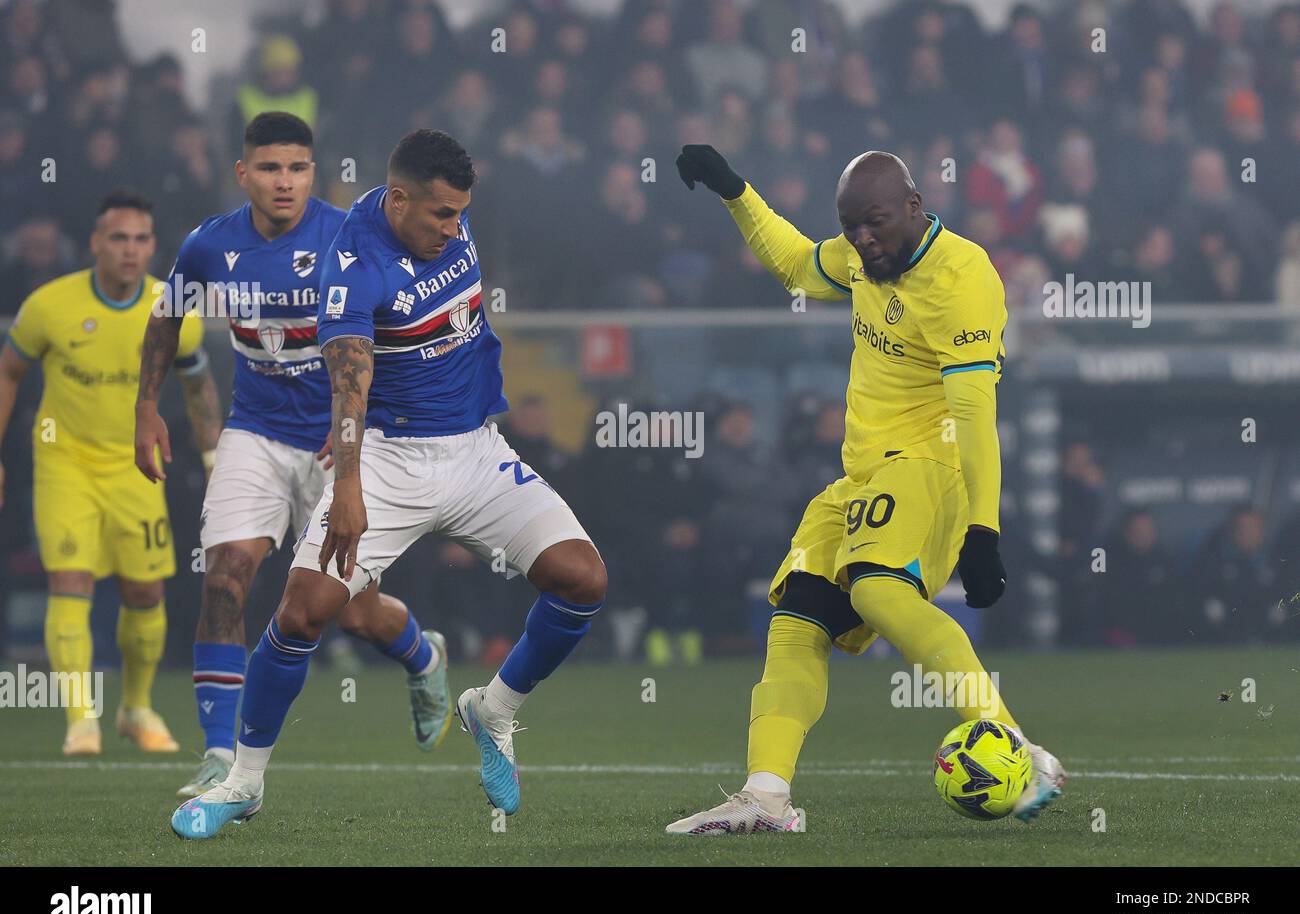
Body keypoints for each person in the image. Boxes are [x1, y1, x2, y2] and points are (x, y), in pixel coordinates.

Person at [170, 129, 606, 839]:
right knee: (303, 611)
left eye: (461, 214)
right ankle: (243, 783)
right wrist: (347, 486)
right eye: (442, 215)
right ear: (399, 200)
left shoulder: (439, 223)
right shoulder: (351, 270)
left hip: (474, 452)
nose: (455, 228)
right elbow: (348, 385)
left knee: (583, 579)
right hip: (390, 460)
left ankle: (492, 712)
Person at [666, 145, 1065, 834]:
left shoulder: (962, 278)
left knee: (877, 589)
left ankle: (1016, 747)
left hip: (932, 463)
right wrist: (734, 190)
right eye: (851, 226)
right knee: (797, 618)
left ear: (915, 207)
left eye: (875, 222)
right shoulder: (862, 256)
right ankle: (766, 796)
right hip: (862, 475)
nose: (862, 239)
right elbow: (795, 261)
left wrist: (984, 530)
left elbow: (974, 419)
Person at [135, 113, 450, 800]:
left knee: (352, 612)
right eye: (271, 168)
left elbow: (399, 325)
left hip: (340, 445)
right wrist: (145, 408)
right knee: (225, 576)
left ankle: (423, 655)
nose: (285, 182)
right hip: (254, 430)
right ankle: (221, 758)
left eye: (298, 168)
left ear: (314, 172)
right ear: (242, 173)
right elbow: (167, 317)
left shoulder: (350, 235)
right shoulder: (209, 246)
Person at [0, 191, 217, 755]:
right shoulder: (49, 305)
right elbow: (9, 371)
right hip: (64, 463)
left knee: (144, 592)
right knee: (68, 580)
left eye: (140, 238)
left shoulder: (172, 313)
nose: (129, 249)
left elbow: (198, 383)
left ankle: (136, 709)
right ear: (95, 243)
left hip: (137, 467)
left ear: (152, 246)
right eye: (117, 238)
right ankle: (80, 720)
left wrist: (214, 456)